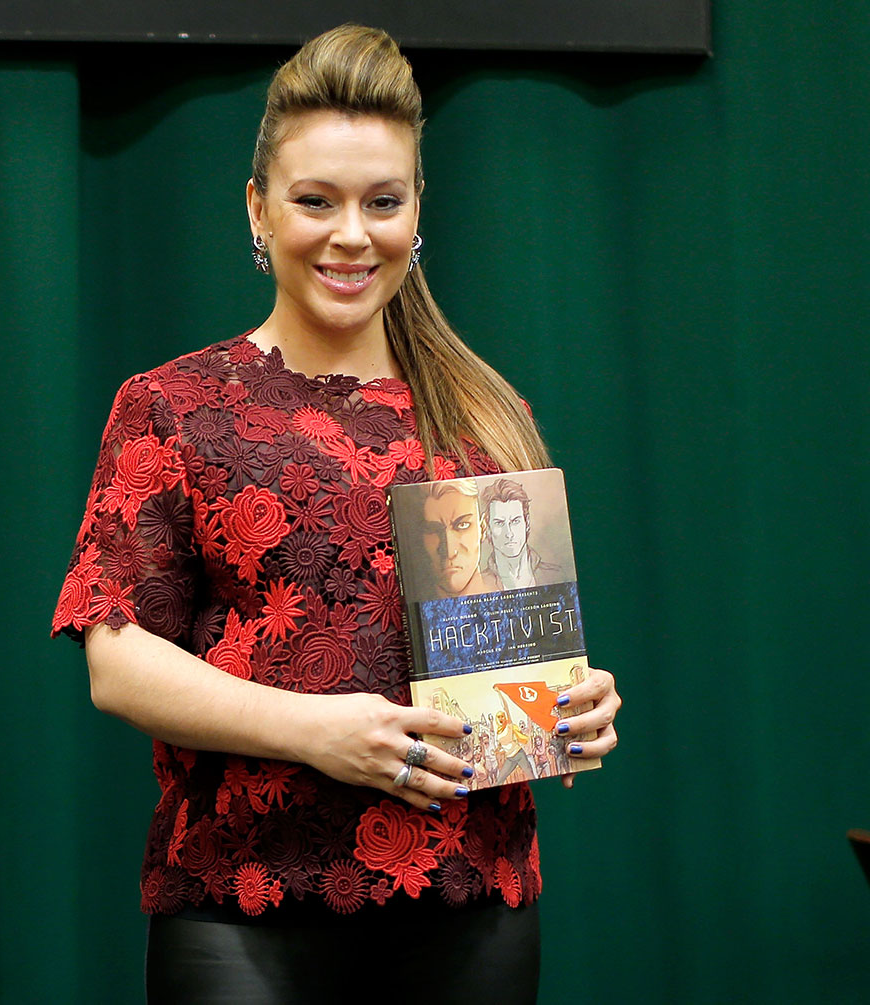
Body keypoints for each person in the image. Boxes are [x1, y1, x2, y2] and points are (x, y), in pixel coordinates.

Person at [50, 23, 620, 1003]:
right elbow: (117, 661)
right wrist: (317, 732)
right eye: (316, 201)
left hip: (472, 907)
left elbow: (512, 682)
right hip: (242, 908)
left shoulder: (487, 413)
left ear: (416, 211)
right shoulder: (174, 406)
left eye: (381, 201)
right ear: (258, 209)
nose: (352, 234)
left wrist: (572, 710)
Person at [479, 477, 562, 591]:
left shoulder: (556, 575)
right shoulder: (478, 585)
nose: (509, 533)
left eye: (515, 521)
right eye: (499, 523)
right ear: (488, 527)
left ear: (526, 522)